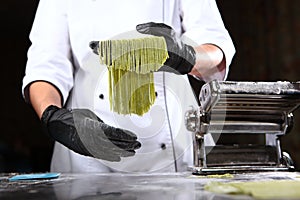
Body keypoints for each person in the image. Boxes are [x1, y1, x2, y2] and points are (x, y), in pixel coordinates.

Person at [22, 0, 235, 173]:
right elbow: (46, 67)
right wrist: (52, 115)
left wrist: (187, 55)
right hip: (87, 159)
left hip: (168, 157)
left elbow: (216, 50)